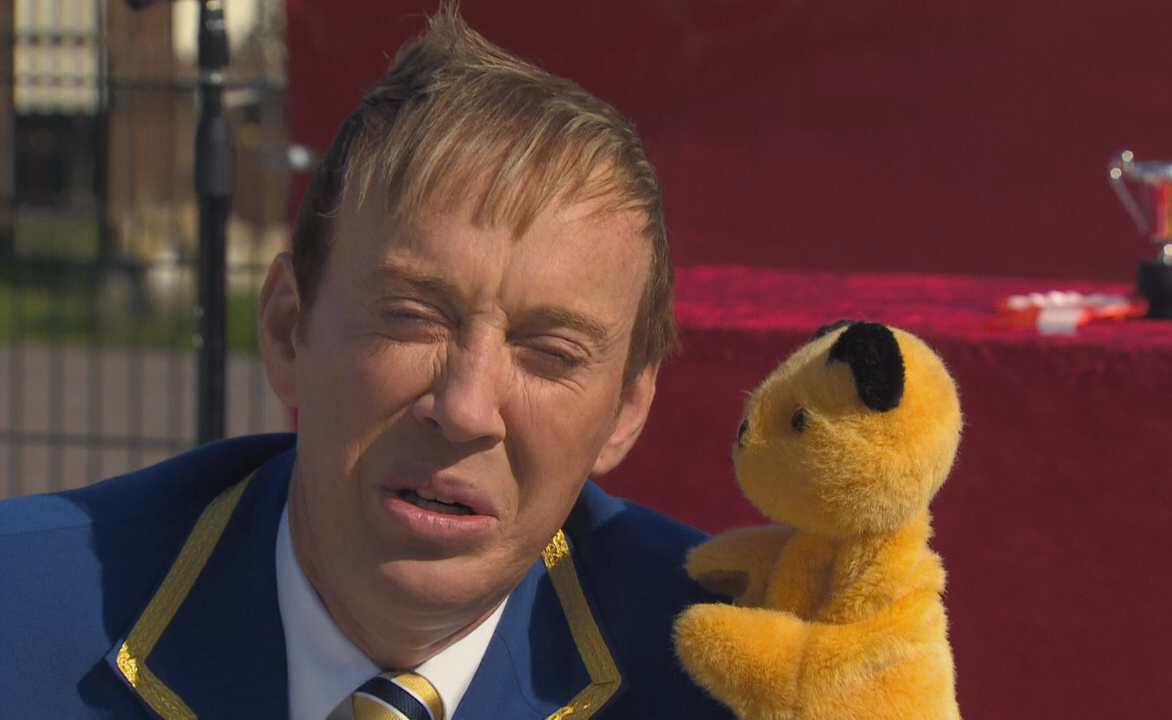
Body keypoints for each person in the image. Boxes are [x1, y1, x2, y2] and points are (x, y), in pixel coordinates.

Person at [0, 7, 735, 719]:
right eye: (414, 317)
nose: (466, 409)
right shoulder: (18, 615)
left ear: (625, 411)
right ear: (288, 330)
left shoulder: (734, 683)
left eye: (550, 353)